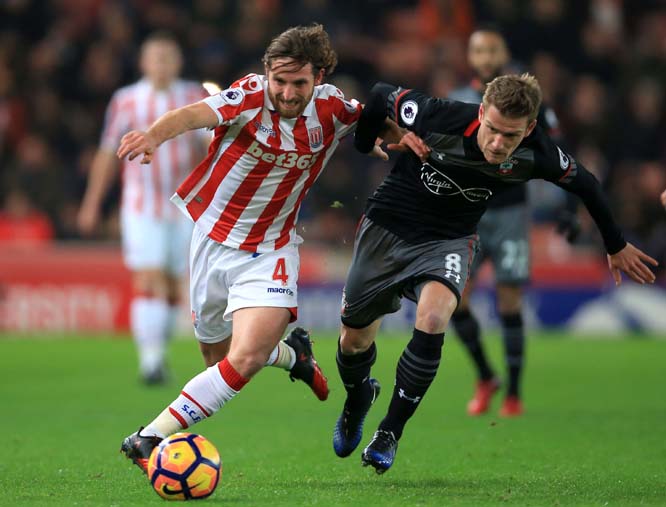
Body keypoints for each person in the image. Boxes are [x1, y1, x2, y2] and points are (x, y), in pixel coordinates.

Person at [332, 74, 658, 474]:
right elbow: (381, 94)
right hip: (388, 227)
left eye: (511, 136)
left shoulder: (538, 153)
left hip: (449, 240)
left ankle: (389, 433)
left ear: (530, 129)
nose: (499, 144)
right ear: (482, 112)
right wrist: (369, 144)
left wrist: (615, 244)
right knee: (353, 340)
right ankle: (358, 397)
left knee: (434, 319)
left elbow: (586, 184)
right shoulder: (440, 115)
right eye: (493, 130)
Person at [117, 24, 372, 473]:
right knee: (220, 360)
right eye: (280, 81)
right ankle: (294, 355)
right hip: (212, 241)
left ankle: (148, 436)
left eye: (299, 83)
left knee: (246, 357)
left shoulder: (334, 107)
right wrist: (155, 135)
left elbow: (377, 117)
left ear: (320, 76)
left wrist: (395, 135)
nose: (288, 93)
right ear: (266, 74)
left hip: (273, 248)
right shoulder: (249, 96)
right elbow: (193, 114)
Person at [446, 28, 578, 417]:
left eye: (492, 49)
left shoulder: (529, 102)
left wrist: (569, 207)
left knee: (508, 301)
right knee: (455, 301)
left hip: (510, 213)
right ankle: (487, 375)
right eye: (478, 50)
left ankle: (515, 393)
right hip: (469, 212)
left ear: (503, 52)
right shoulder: (457, 100)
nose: (485, 57)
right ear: (470, 56)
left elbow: (559, 154)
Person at [77, 32, 211, 385]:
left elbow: (208, 149)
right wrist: (92, 202)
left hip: (183, 205)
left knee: (170, 285)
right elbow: (108, 153)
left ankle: (158, 355)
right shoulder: (126, 100)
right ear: (143, 63)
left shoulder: (192, 96)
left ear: (178, 63)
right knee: (148, 276)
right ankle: (150, 362)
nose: (162, 64)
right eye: (156, 57)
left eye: (169, 57)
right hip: (141, 203)